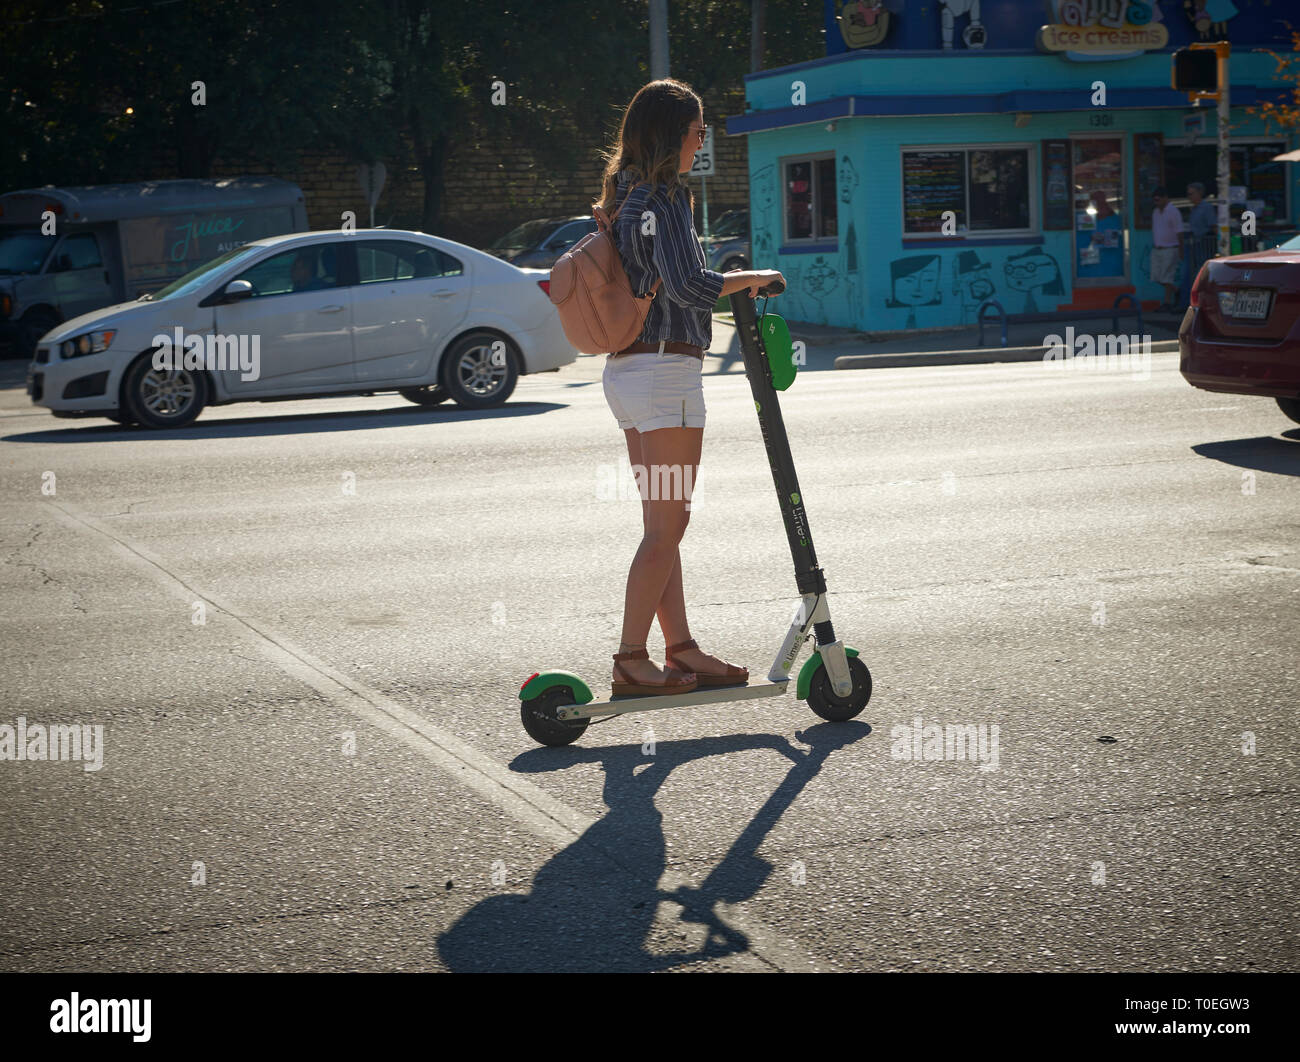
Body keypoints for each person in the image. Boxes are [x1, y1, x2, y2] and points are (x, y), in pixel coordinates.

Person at [594, 78, 785, 697]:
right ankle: (630, 659)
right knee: (666, 524)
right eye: (699, 131)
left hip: (627, 375)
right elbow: (689, 285)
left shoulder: (622, 195)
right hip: (665, 378)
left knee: (662, 523)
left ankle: (680, 649)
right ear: (676, 135)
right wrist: (754, 277)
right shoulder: (665, 199)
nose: (702, 142)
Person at [1150, 187, 1184, 313]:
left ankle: (1167, 302)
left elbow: (1179, 232)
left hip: (1170, 248)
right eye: (1155, 200)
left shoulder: (1173, 212)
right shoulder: (1155, 212)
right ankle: (1177, 291)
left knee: (1166, 277)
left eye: (1158, 200)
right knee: (1156, 277)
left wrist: (1181, 250)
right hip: (1158, 248)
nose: (1156, 202)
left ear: (1165, 198)